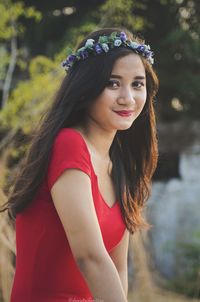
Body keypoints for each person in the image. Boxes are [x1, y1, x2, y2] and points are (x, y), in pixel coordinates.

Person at [1, 27, 159, 302]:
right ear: (87, 88)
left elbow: (116, 266)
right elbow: (90, 257)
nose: (128, 98)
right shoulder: (69, 145)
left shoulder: (120, 165)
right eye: (112, 83)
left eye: (137, 83)